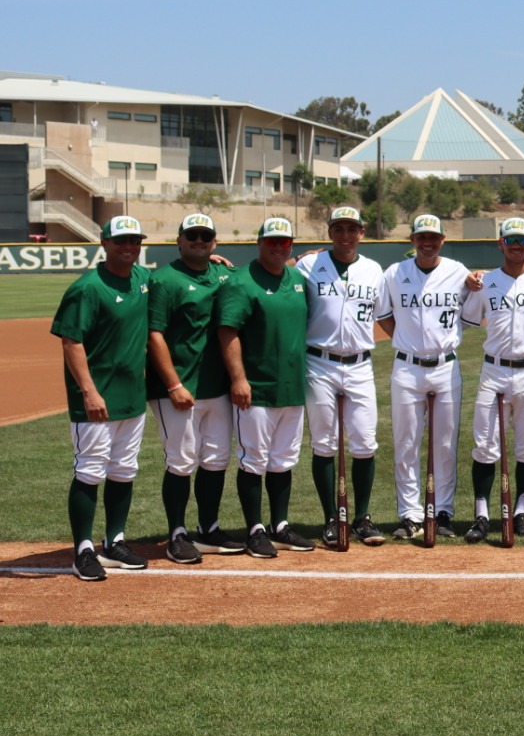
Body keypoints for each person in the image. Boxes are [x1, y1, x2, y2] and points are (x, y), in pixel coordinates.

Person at [55, 215, 153, 581]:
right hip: (97, 399)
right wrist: (89, 391)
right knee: (90, 470)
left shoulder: (142, 279)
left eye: (135, 241)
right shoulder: (87, 287)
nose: (129, 247)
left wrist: (218, 263)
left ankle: (115, 542)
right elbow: (71, 341)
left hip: (132, 396)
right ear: (105, 244)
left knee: (124, 469)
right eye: (121, 241)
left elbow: (178, 280)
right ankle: (82, 550)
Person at [217, 216, 315, 557]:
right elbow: (227, 331)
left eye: (284, 241)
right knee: (253, 461)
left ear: (291, 245)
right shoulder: (241, 283)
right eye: (271, 241)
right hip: (255, 388)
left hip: (291, 387)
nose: (278, 246)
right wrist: (239, 378)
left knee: (283, 460)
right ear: (259, 243)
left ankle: (281, 525)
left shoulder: (298, 280)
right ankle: (255, 529)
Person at [146, 212, 241, 564]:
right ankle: (177, 533)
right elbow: (154, 334)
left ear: (214, 242)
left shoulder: (223, 273)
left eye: (205, 236)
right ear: (179, 240)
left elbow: (265, 272)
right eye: (192, 236)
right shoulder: (166, 280)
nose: (199, 241)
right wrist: (172, 384)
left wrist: (305, 257)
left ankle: (208, 528)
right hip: (178, 388)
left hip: (216, 387)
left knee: (216, 459)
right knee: (181, 461)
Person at [375, 214, 472, 541]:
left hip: (445, 366)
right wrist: (404, 339)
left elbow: (469, 316)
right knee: (406, 442)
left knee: (445, 443)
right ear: (413, 240)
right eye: (421, 237)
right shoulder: (395, 273)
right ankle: (410, 515)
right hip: (407, 367)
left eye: (433, 237)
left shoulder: (458, 272)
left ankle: (443, 511)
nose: (427, 242)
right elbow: (384, 316)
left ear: (443, 239)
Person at [460, 217, 524, 541]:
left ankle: (521, 512)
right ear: (501, 243)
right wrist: (470, 280)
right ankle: (482, 516)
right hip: (494, 371)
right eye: (510, 240)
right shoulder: (485, 282)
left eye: (522, 240)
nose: (516, 245)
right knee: (485, 447)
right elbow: (468, 320)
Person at [298, 205, 387, 548]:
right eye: (339, 228)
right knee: (324, 444)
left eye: (352, 229)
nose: (346, 235)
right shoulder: (309, 265)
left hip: (360, 364)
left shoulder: (374, 270)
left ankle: (362, 517)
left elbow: (386, 314)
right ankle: (331, 519)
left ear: (362, 233)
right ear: (330, 232)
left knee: (365, 443)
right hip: (320, 362)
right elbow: (278, 271)